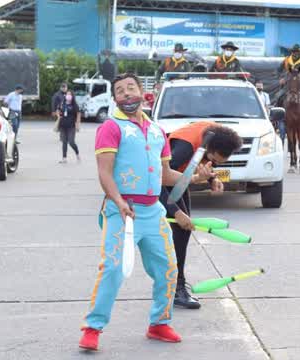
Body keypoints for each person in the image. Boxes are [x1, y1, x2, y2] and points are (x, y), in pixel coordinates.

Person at [79, 73, 215, 351]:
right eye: (120, 91)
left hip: (153, 211)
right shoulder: (111, 127)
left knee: (168, 268)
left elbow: (166, 175)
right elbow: (104, 173)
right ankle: (92, 327)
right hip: (121, 211)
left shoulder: (157, 131)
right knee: (114, 269)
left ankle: (159, 324)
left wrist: (196, 178)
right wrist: (118, 201)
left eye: (131, 88)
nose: (126, 94)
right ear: (115, 98)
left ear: (143, 92)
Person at [159, 122, 242, 309]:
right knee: (180, 229)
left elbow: (204, 160)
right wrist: (176, 212)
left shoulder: (215, 135)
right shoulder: (185, 147)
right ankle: (175, 288)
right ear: (208, 148)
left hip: (177, 178)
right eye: (213, 159)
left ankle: (175, 284)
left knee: (184, 231)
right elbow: (158, 177)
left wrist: (213, 178)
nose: (214, 164)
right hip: (158, 181)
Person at [55, 90, 81, 163]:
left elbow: (78, 114)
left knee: (71, 142)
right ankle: (64, 158)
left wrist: (78, 124)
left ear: (72, 96)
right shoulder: (62, 103)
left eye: (70, 94)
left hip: (71, 126)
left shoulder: (74, 105)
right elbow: (57, 110)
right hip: (62, 125)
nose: (68, 96)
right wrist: (58, 115)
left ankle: (77, 153)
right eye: (67, 94)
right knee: (64, 142)